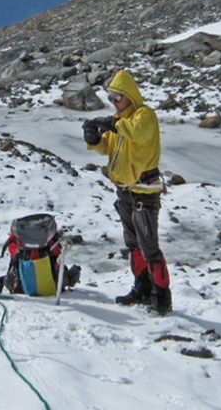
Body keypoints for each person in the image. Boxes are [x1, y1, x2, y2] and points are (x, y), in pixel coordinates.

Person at [82, 70, 172, 315]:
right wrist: (93, 139)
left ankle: (161, 297)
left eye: (117, 97)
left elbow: (137, 132)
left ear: (130, 96)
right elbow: (108, 148)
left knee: (148, 245)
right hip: (125, 191)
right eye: (110, 98)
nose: (113, 102)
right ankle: (141, 288)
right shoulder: (119, 120)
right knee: (133, 244)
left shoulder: (145, 115)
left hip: (144, 191)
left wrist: (113, 124)